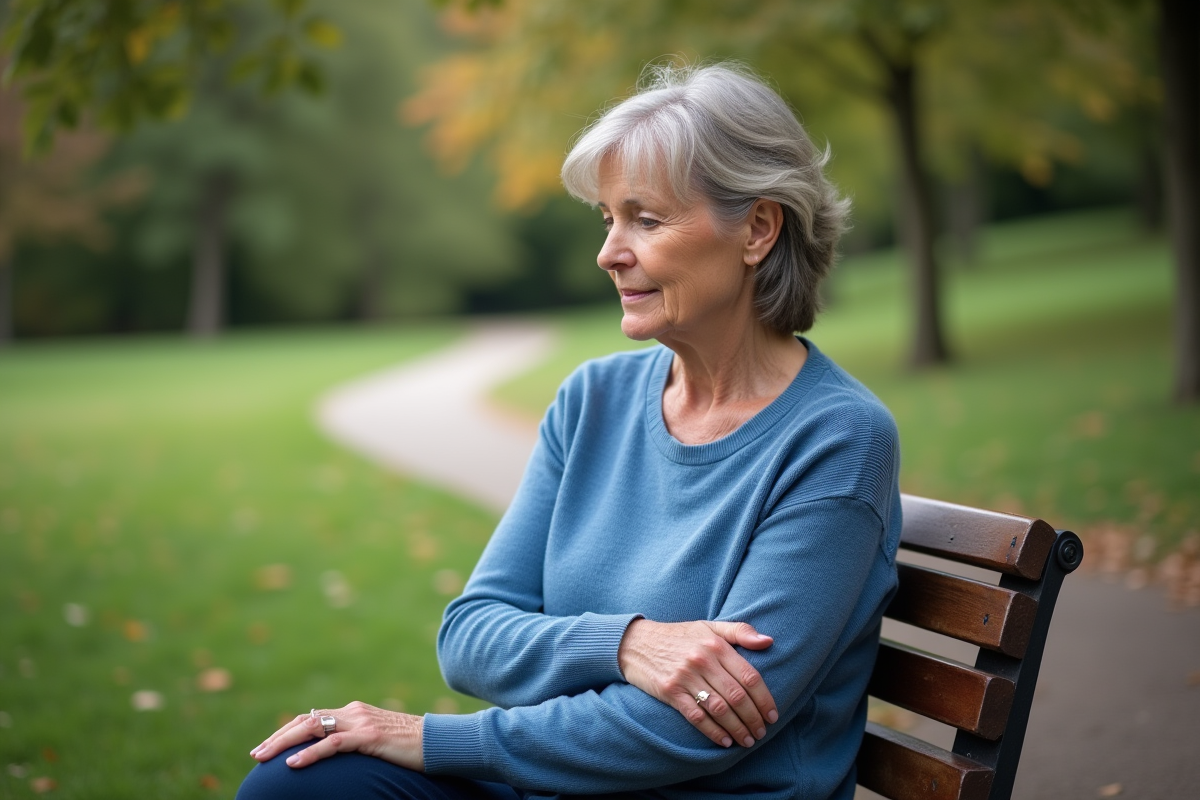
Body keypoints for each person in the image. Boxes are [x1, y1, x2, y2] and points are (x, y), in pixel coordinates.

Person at [237, 62, 901, 800]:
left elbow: (697, 727)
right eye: (609, 218)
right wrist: (623, 643)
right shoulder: (593, 399)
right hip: (552, 784)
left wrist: (431, 738)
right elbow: (470, 638)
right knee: (294, 784)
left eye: (646, 219)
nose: (610, 251)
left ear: (757, 228)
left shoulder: (838, 439)